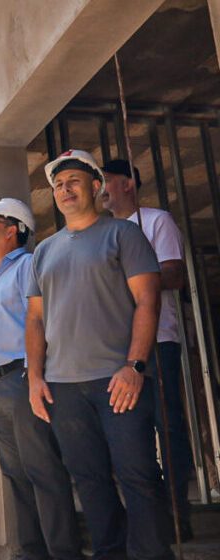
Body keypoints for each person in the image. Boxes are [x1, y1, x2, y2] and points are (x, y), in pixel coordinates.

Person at [26, 149, 174, 559]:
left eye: (73, 180)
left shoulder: (124, 234)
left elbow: (148, 301)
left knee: (138, 477)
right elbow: (35, 320)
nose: (64, 189)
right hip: (63, 388)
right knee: (89, 481)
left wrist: (134, 366)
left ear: (96, 186)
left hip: (118, 379)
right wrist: (36, 378)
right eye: (57, 184)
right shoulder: (44, 251)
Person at [0, 199, 83, 560]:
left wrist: (34, 376)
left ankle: (64, 552)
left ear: (13, 229)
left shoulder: (27, 266)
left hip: (23, 378)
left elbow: (41, 322)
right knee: (16, 476)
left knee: (43, 472)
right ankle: (32, 553)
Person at [101, 158, 192, 540]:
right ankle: (146, 519)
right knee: (126, 436)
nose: (99, 189)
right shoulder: (102, 232)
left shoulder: (156, 221)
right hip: (113, 350)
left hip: (158, 342)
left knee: (167, 428)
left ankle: (177, 515)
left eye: (104, 181)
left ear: (127, 183)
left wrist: (134, 279)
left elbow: (174, 273)